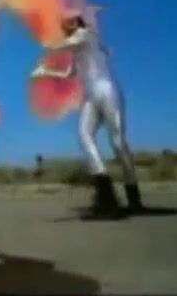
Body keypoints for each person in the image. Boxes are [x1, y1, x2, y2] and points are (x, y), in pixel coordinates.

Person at [31, 13, 146, 220]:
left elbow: (65, 44)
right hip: (90, 96)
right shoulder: (76, 50)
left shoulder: (86, 35)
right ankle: (105, 194)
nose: (67, 23)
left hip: (108, 91)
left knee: (118, 143)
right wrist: (46, 72)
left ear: (78, 23)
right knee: (84, 135)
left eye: (71, 20)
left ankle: (134, 198)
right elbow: (69, 74)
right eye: (64, 22)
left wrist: (47, 44)